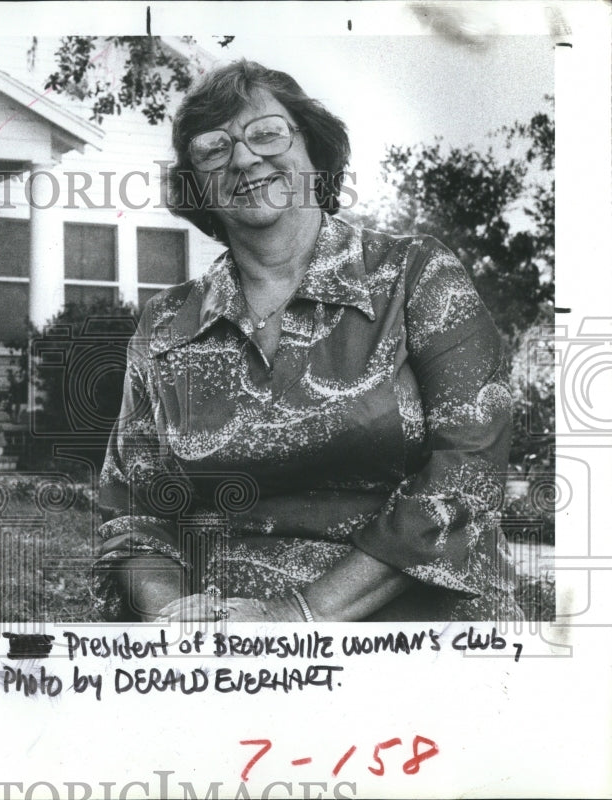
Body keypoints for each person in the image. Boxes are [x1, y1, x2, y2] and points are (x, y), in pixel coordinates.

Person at [95, 60, 522, 623]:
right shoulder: (167, 324)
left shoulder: (416, 276)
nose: (245, 158)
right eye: (213, 148)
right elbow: (131, 513)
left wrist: (296, 615)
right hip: (226, 632)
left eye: (267, 132)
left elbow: (468, 473)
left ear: (315, 151)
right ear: (196, 185)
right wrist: (177, 615)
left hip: (417, 616)